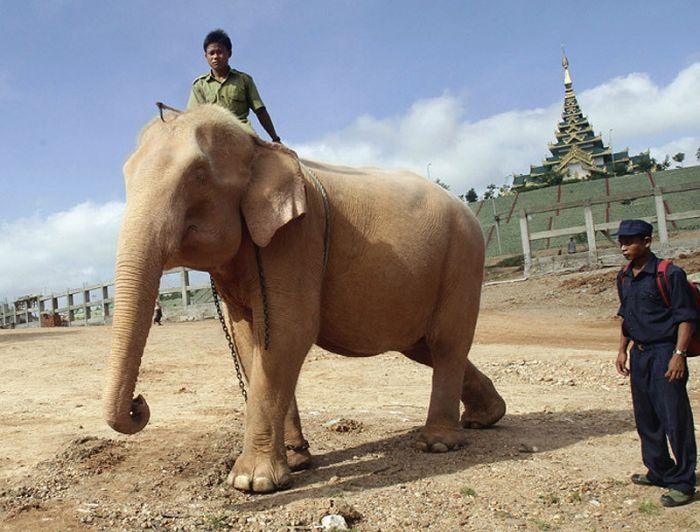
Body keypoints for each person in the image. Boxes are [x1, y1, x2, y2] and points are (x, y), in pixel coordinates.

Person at [615, 219, 697, 507]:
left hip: (665, 353)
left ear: (647, 241)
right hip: (640, 354)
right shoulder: (624, 276)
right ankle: (659, 470)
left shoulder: (670, 274)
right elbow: (626, 316)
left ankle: (683, 482)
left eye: (631, 241)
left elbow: (686, 317)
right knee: (646, 417)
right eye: (621, 242)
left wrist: (679, 354)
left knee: (675, 419)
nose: (624, 247)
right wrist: (622, 351)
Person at [187, 29, 281, 143]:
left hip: (243, 134)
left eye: (220, 52)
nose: (215, 57)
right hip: (212, 137)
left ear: (229, 53)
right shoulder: (199, 85)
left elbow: (260, 111)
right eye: (211, 53)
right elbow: (193, 118)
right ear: (205, 56)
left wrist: (275, 138)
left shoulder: (244, 79)